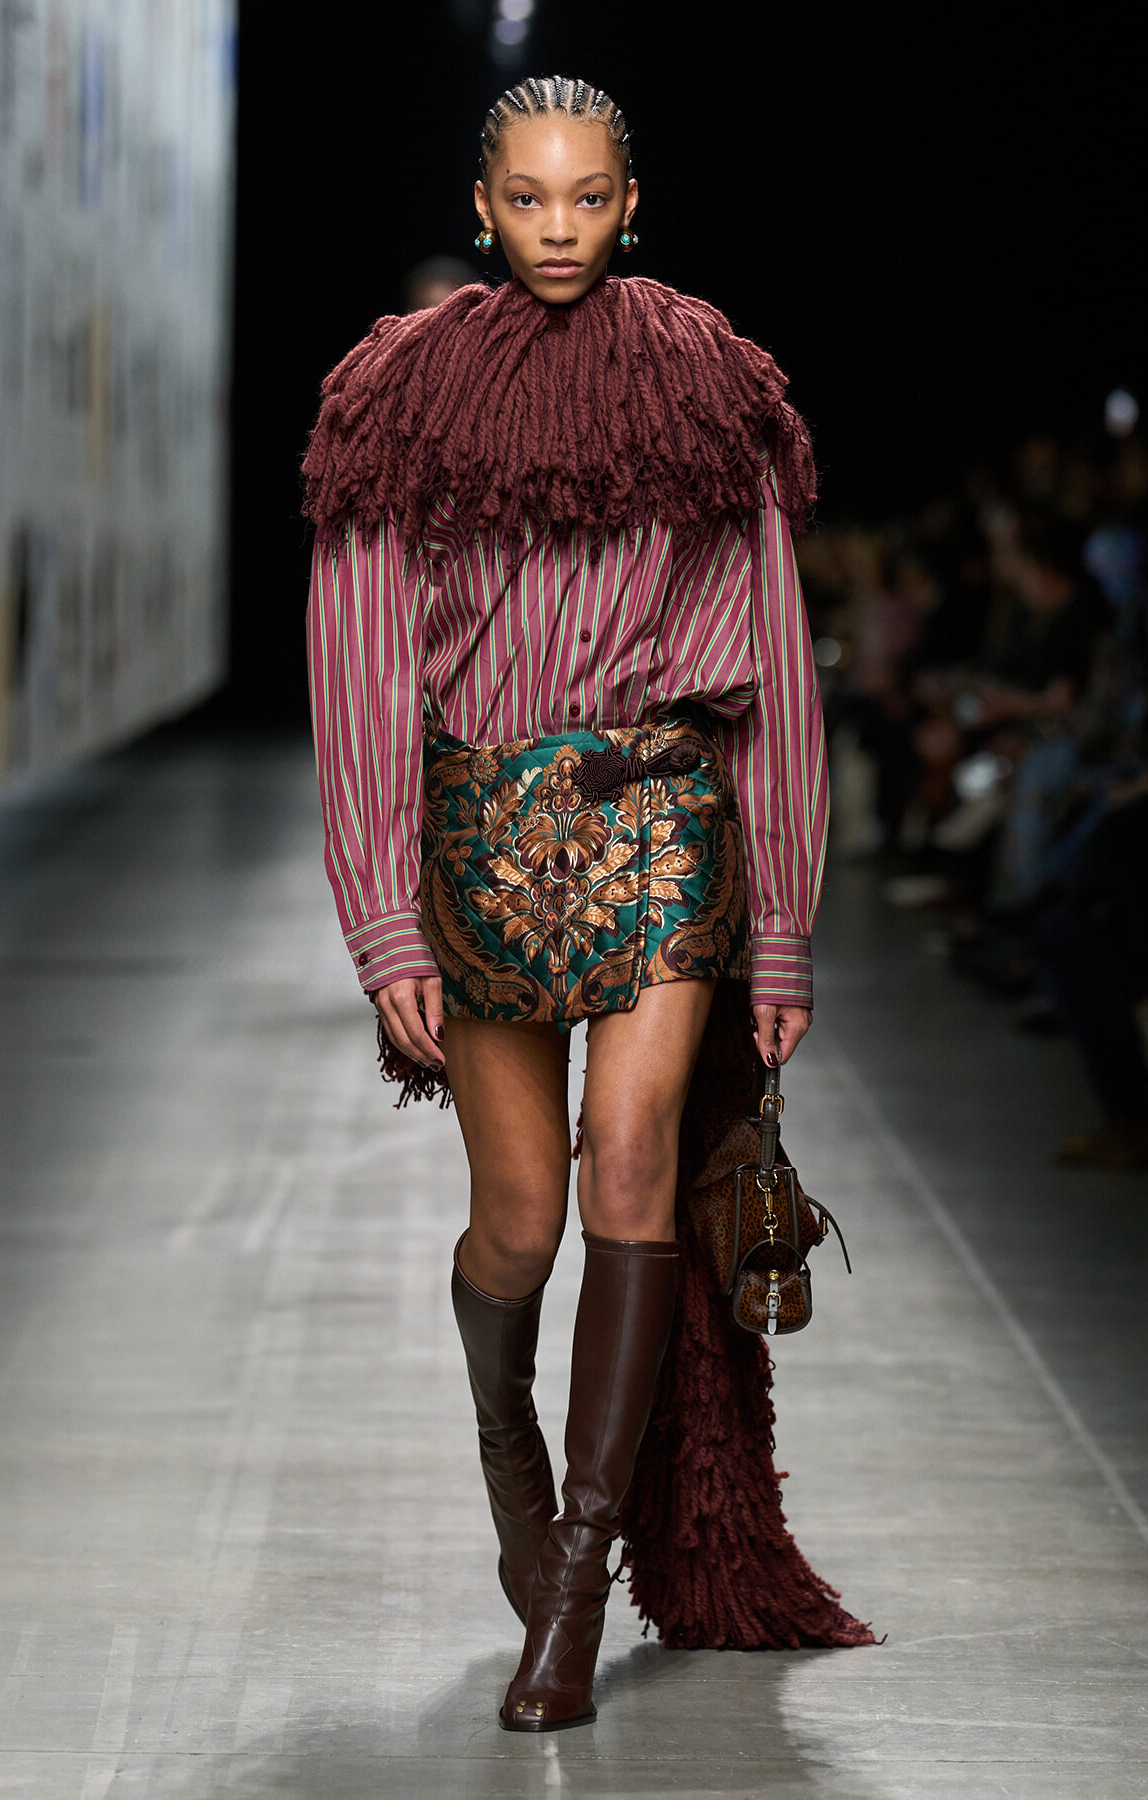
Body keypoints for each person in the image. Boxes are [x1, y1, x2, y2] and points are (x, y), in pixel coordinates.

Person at [304, 74, 871, 1735]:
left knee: (628, 1170)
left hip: (660, 825)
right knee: (521, 1220)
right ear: (484, 207)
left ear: (637, 201)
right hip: (478, 835)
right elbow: (355, 670)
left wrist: (782, 918)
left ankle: (571, 1589)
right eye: (531, 199)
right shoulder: (399, 399)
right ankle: (512, 1462)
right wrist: (382, 916)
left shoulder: (708, 385)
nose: (561, 227)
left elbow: (769, 662)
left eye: (590, 196)